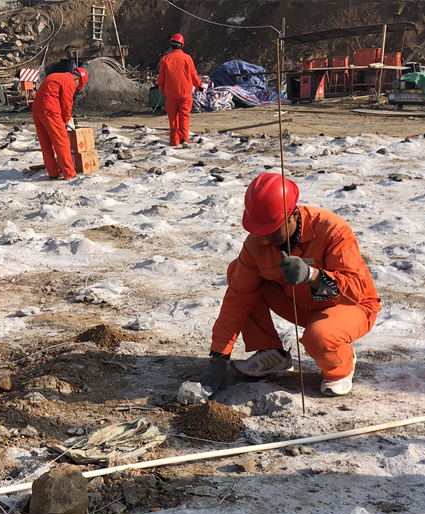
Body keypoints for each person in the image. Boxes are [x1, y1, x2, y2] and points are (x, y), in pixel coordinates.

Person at [199, 173, 381, 396]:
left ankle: (340, 366)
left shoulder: (331, 229)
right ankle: (271, 353)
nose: (265, 238)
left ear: (293, 214)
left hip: (350, 306)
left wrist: (313, 276)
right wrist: (219, 356)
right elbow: (238, 298)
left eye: (272, 229)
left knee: (320, 336)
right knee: (237, 272)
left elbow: (355, 290)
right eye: (259, 230)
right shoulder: (257, 243)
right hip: (300, 304)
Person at [32, 67, 88, 180]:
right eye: (78, 85)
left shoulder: (56, 75)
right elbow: (67, 104)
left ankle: (53, 173)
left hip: (37, 112)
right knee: (61, 142)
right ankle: (69, 173)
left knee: (46, 144)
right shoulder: (69, 82)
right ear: (77, 79)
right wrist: (66, 120)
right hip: (51, 111)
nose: (76, 88)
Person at [157, 33, 203, 147]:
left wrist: (161, 88)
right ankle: (184, 139)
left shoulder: (165, 59)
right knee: (184, 117)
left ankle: (174, 141)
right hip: (185, 94)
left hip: (171, 95)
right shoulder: (188, 58)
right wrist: (199, 86)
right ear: (182, 45)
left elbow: (161, 77)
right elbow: (193, 75)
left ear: (171, 45)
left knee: (173, 118)